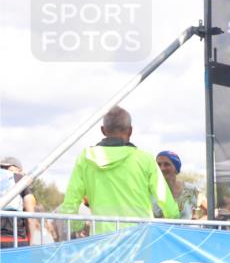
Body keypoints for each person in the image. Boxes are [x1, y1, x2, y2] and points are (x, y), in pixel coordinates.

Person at [60, 106, 179, 234]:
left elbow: (69, 206)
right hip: (139, 241)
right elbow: (168, 204)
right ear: (130, 131)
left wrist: (78, 226)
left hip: (102, 242)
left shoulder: (85, 159)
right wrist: (174, 220)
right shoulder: (145, 159)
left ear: (103, 130)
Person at [155, 150, 208, 220]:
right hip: (157, 231)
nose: (162, 168)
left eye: (167, 164)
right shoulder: (149, 191)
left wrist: (197, 223)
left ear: (176, 168)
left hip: (185, 231)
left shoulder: (191, 190)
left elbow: (211, 212)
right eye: (158, 164)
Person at [0, 156, 38, 248]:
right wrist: (31, 241)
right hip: (15, 238)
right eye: (20, 171)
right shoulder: (20, 179)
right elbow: (30, 216)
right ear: (15, 168)